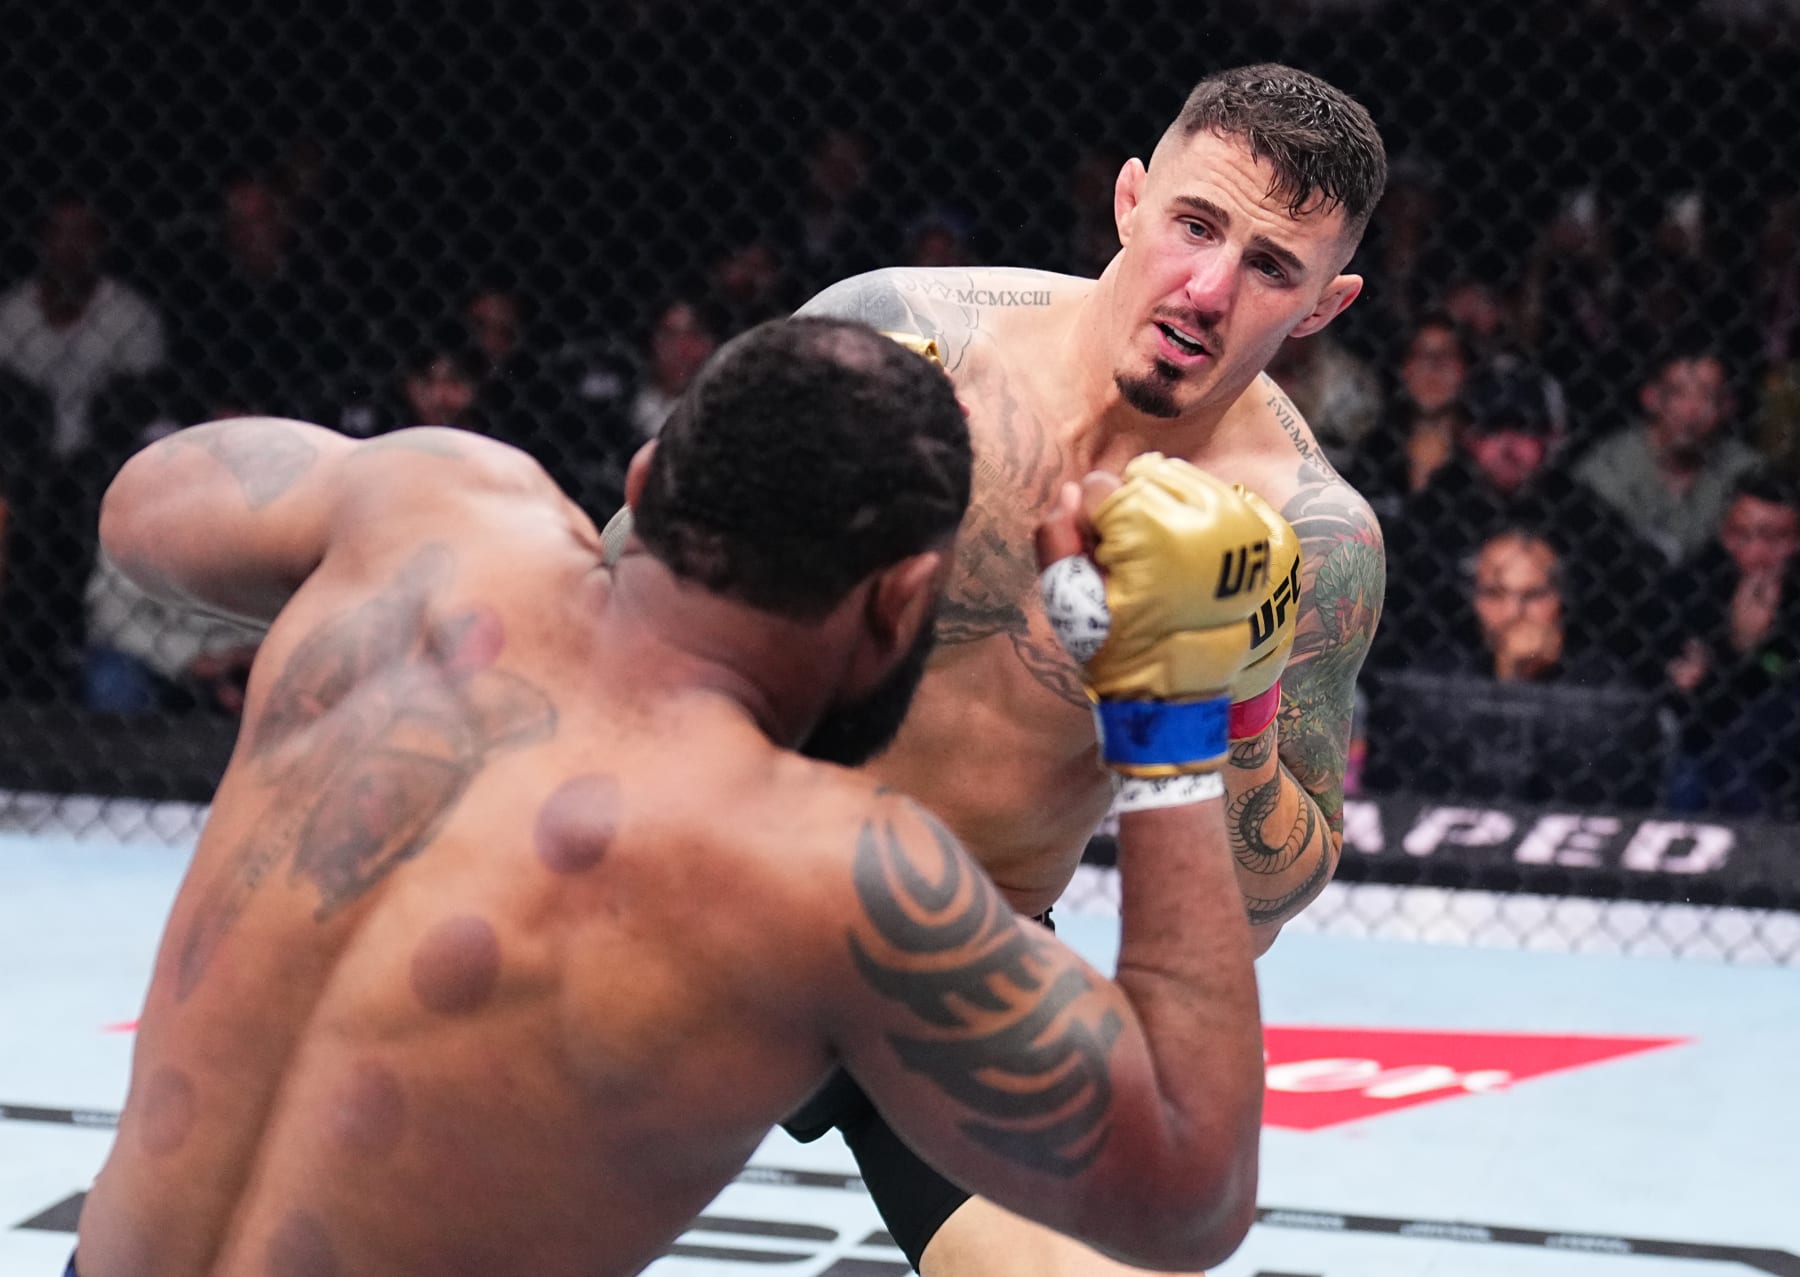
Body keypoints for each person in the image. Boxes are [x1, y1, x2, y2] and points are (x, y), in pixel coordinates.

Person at [75, 317, 1286, 1277]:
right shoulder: (821, 867)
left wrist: (394, 564)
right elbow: (1191, 1189)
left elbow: (139, 507)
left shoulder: (433, 510)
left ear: (649, 476)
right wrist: (1167, 706)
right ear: (899, 602)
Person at [609, 59, 1388, 1277]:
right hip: (699, 862)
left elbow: (1259, 907)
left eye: (1270, 267)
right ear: (1130, 199)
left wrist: (1231, 691)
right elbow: (619, 576)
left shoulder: (1309, 535)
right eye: (1195, 224)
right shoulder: (906, 338)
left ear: (1323, 306)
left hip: (947, 948)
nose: (1208, 288)